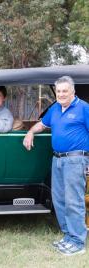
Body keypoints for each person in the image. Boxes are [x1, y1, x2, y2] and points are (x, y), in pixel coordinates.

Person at [23, 76, 89, 256]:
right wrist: (30, 132)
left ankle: (78, 242)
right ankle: (68, 236)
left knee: (73, 201)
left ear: (73, 92)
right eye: (58, 91)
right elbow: (42, 125)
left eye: (64, 91)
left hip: (76, 160)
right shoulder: (55, 108)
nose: (61, 94)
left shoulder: (84, 108)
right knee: (59, 200)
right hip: (57, 159)